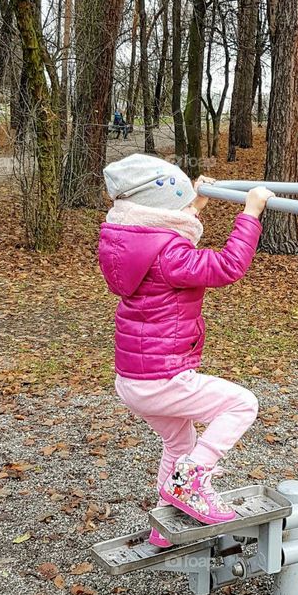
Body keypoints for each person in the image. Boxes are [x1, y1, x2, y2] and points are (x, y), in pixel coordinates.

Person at [98, 154, 273, 548]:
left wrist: (193, 206)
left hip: (132, 380)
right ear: (161, 208)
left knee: (178, 442)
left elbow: (167, 240)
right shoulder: (169, 255)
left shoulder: (130, 241)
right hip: (163, 378)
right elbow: (227, 266)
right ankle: (190, 480)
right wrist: (251, 214)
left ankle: (165, 527)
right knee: (242, 404)